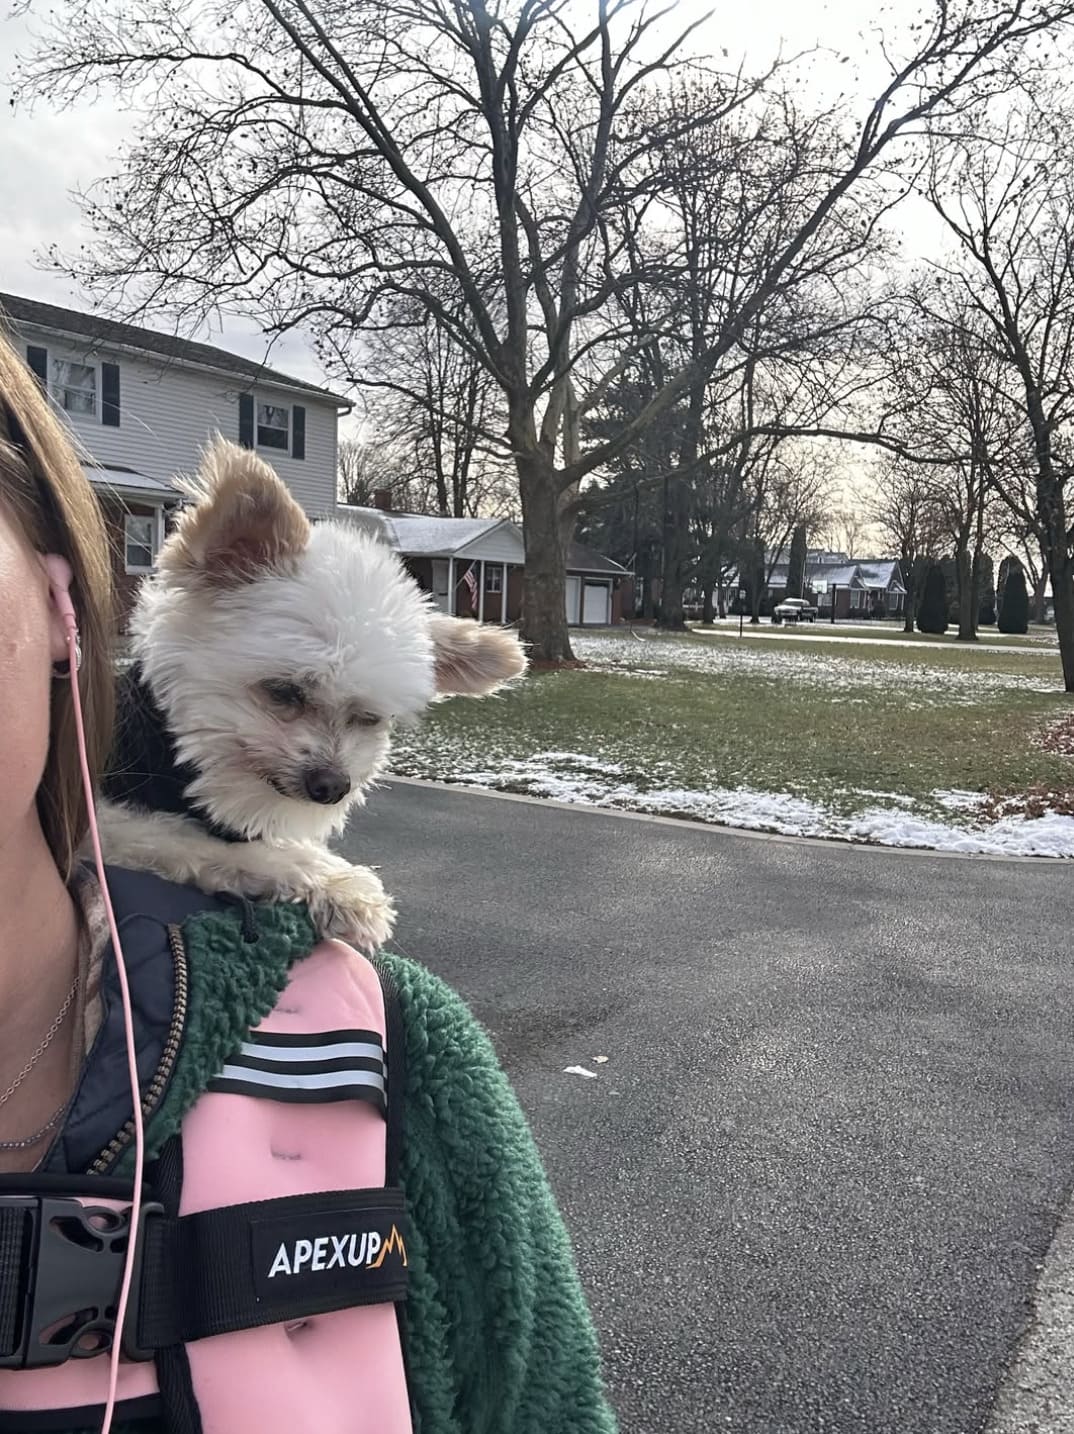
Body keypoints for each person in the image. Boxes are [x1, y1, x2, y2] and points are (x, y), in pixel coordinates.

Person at [0, 326, 617, 1434]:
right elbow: (108, 844)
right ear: (205, 584)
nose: (328, 763)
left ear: (56, 606)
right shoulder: (112, 766)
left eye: (365, 724)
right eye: (287, 698)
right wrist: (283, 871)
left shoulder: (404, 1049)